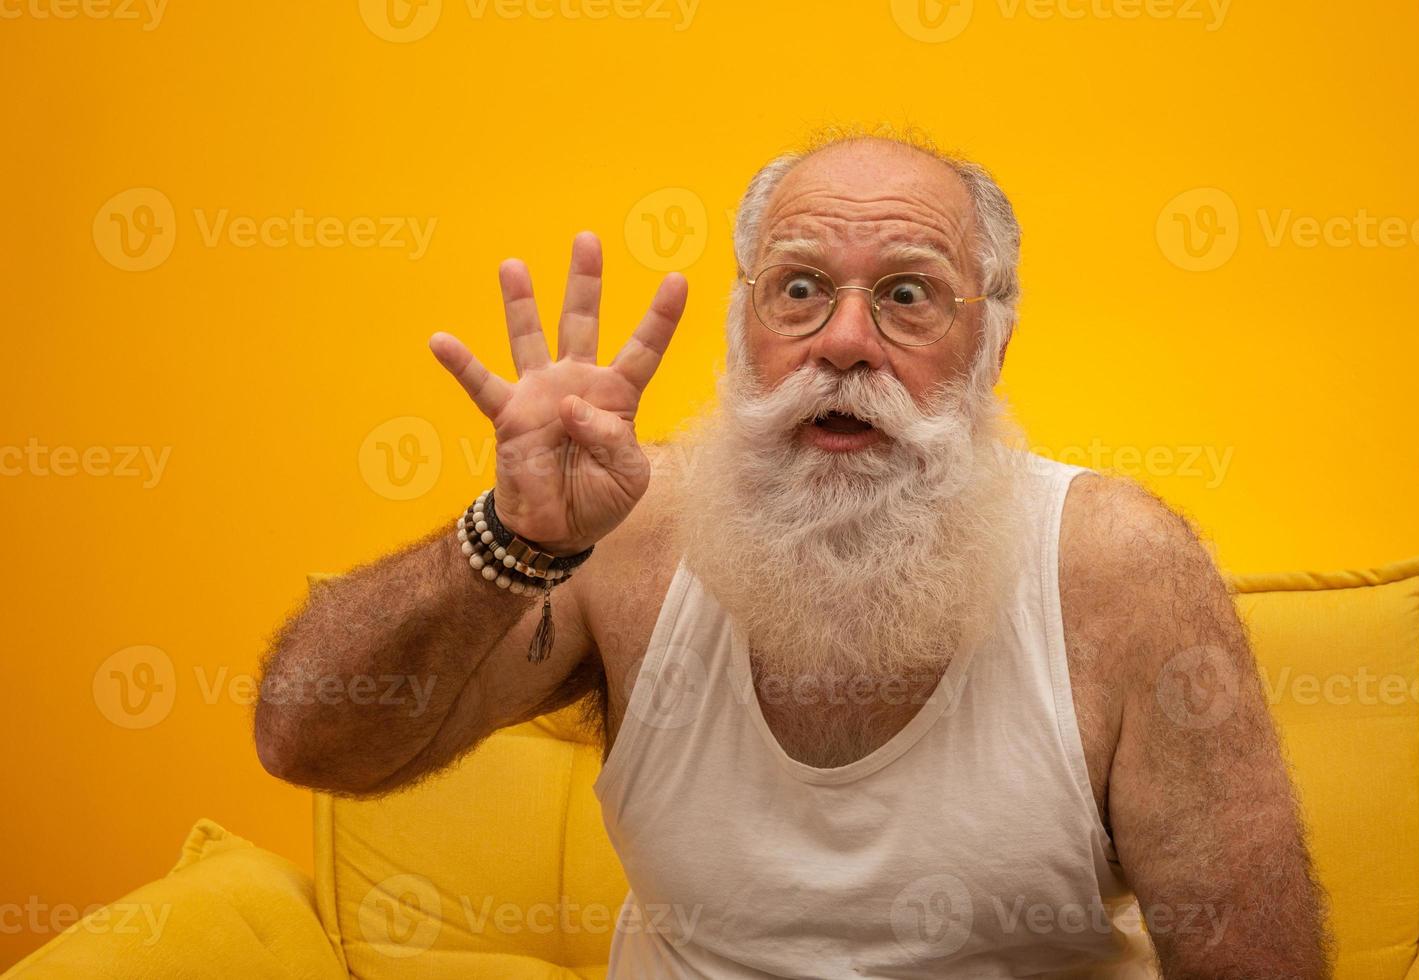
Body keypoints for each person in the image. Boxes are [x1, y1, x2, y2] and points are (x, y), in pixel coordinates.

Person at [254, 129, 1330, 977]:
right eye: (801, 287)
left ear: (992, 343)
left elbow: (1255, 962)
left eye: (907, 293)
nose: (845, 340)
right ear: (743, 330)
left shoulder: (1120, 568)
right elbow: (311, 740)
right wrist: (515, 536)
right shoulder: (621, 537)